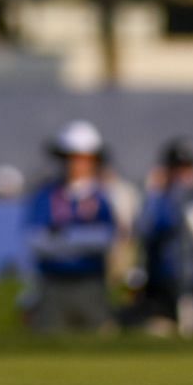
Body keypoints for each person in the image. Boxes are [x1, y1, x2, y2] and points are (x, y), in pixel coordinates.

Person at [21, 121, 119, 334]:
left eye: (83, 159)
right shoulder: (45, 195)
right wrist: (79, 239)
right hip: (53, 285)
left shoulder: (103, 197)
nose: (76, 165)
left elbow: (105, 238)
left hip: (91, 284)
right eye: (70, 158)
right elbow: (35, 240)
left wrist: (63, 236)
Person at [137, 138, 193, 337]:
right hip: (165, 285)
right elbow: (145, 229)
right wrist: (155, 193)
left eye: (188, 168)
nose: (183, 175)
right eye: (178, 168)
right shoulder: (159, 201)